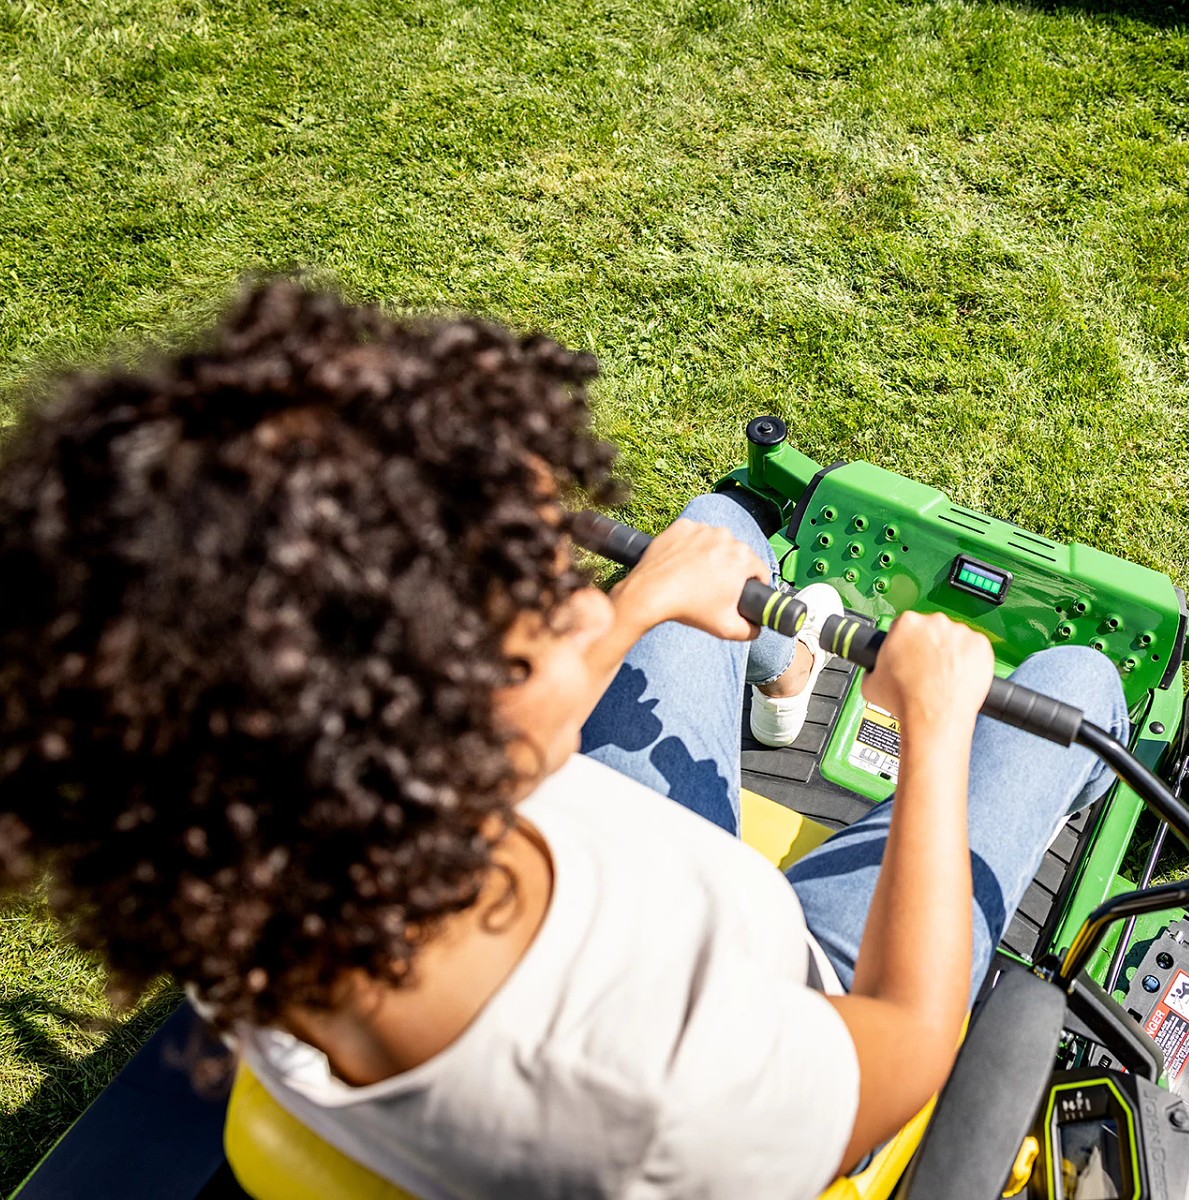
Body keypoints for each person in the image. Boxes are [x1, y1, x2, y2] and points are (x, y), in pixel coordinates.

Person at [0, 280, 1127, 1200]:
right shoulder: (653, 1099)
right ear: (425, 736)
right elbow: (908, 1039)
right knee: (1078, 681)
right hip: (809, 990)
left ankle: (770, 667)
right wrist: (931, 729)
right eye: (548, 605)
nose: (590, 606)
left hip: (621, 867)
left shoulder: (265, 860)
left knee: (717, 534)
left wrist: (643, 603)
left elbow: (545, 670)